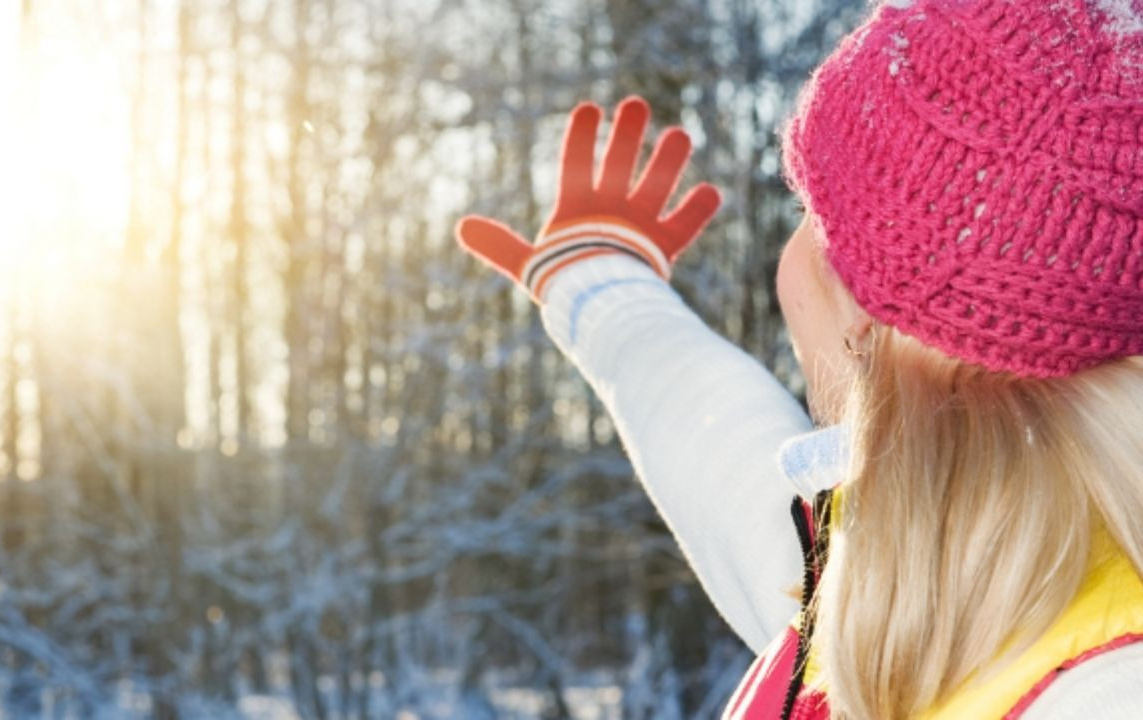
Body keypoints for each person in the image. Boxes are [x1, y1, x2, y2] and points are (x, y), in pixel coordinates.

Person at [455, 0, 1143, 718]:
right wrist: (599, 281)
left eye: (809, 214)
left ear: (867, 316)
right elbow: (721, 452)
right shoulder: (904, 575)